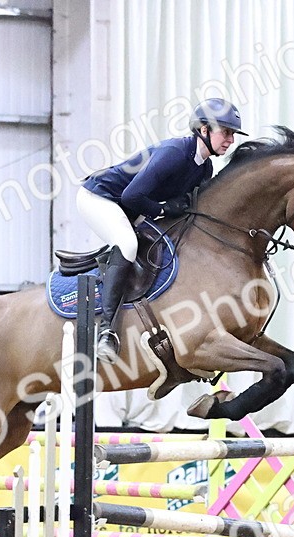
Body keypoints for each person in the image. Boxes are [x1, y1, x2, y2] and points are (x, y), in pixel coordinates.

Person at [78, 97, 245, 363]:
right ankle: (106, 331)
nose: (230, 140)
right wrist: (165, 210)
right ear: (204, 129)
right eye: (225, 132)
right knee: (128, 243)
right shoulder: (175, 153)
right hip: (100, 198)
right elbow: (132, 196)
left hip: (131, 208)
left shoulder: (205, 168)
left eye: (233, 134)